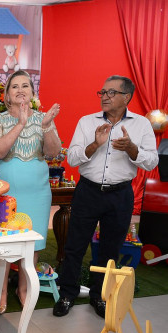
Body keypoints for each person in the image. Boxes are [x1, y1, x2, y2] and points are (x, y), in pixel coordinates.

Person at [53, 75, 158, 318]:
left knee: (109, 250)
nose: (105, 97)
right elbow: (72, 158)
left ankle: (99, 296)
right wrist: (94, 145)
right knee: (74, 246)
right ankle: (67, 294)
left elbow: (151, 161)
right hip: (87, 191)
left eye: (111, 92)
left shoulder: (141, 125)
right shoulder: (86, 122)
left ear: (126, 97)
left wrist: (131, 149)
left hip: (120, 195)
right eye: (102, 92)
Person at [0, 70, 62, 314]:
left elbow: (54, 152)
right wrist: (20, 123)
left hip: (38, 193)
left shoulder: (43, 118)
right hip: (4, 194)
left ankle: (23, 288)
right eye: (14, 86)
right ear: (7, 95)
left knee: (33, 244)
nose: (20, 90)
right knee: (2, 244)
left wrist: (46, 126)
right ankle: (1, 291)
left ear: (32, 92)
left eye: (25, 86)